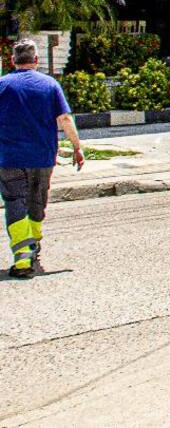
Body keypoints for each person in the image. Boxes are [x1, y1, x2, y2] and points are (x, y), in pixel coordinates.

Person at [0, 38, 84, 280]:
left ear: (13, 60)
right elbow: (65, 119)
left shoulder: (3, 85)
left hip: (9, 158)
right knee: (37, 202)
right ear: (36, 60)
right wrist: (77, 147)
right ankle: (33, 246)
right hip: (42, 157)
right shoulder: (50, 85)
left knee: (15, 203)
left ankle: (22, 259)